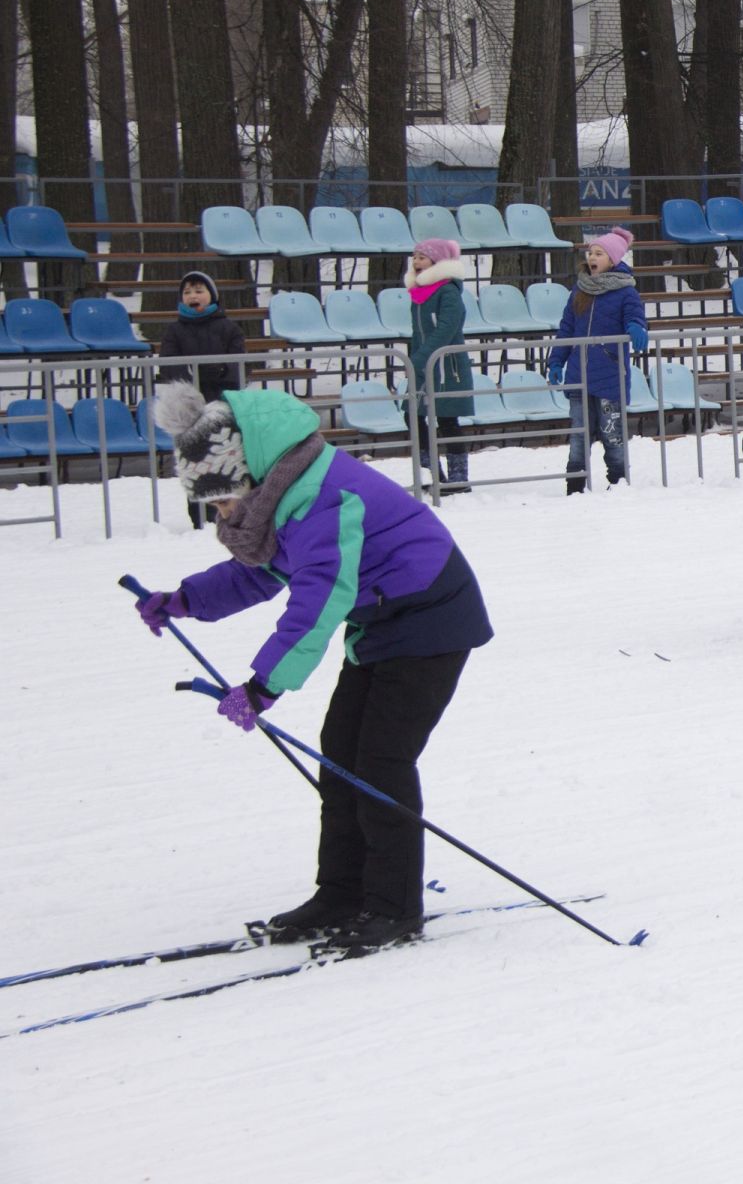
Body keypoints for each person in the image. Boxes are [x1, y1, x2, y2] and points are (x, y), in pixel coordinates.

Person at [139, 382, 492, 951]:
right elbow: (261, 573)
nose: (224, 514)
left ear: (249, 472)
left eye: (224, 498)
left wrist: (263, 686)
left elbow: (320, 597)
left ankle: (393, 906)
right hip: (381, 621)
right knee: (341, 753)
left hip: (432, 616)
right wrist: (182, 599)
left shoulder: (320, 498)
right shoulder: (285, 494)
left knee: (380, 761)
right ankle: (341, 892)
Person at [546, 227, 649, 494]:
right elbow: (566, 328)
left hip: (610, 375)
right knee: (578, 435)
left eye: (599, 253)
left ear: (613, 260)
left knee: (612, 434)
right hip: (578, 374)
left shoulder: (626, 292)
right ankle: (575, 484)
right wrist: (556, 360)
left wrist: (637, 326)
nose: (592, 256)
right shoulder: (579, 290)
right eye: (591, 252)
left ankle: (618, 482)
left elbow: (634, 315)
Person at [157, 270, 247, 529]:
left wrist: (219, 372)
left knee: (227, 458)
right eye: (187, 292)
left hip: (223, 404)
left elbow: (240, 365)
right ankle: (199, 516)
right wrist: (190, 377)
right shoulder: (174, 330)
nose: (193, 296)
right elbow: (169, 366)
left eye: (198, 290)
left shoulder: (229, 328)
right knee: (195, 461)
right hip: (189, 409)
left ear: (212, 296)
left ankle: (232, 511)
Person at [404, 239, 475, 494]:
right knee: (413, 414)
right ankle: (430, 472)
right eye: (414, 257)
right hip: (423, 365)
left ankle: (458, 477)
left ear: (437, 262)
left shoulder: (448, 292)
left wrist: (421, 356)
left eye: (422, 257)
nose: (416, 262)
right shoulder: (419, 293)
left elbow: (446, 328)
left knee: (447, 419)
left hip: (446, 367)